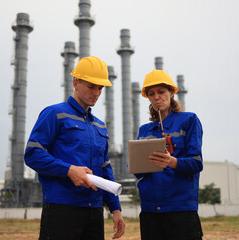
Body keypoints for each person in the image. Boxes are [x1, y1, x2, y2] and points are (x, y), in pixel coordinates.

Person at [24, 56, 125, 240]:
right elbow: (32, 154)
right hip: (62, 209)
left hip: (94, 212)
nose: (96, 92)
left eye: (100, 88)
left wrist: (115, 209)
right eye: (91, 86)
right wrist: (69, 170)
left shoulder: (100, 126)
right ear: (75, 82)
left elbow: (105, 170)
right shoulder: (55, 114)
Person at [135, 69, 203, 240]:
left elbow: (196, 163)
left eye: (161, 92)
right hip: (150, 212)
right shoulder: (144, 131)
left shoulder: (189, 121)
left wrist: (172, 162)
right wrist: (139, 164)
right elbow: (136, 170)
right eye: (151, 93)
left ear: (172, 93)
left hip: (180, 210)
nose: (156, 97)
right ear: (148, 98)